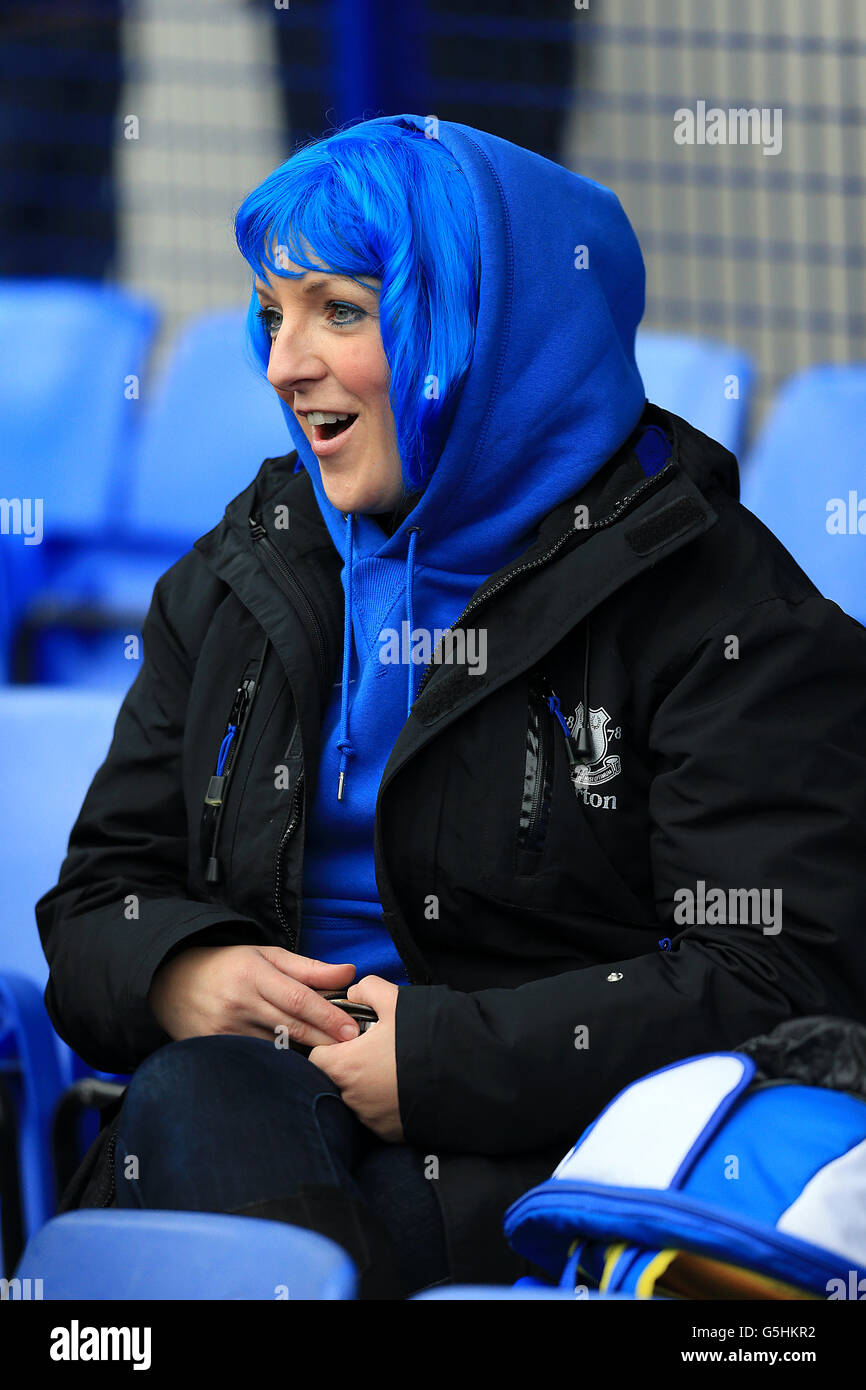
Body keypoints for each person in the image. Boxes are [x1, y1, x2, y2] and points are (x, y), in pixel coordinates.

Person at [36, 114, 866, 1299]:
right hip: (234, 1120)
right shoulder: (244, 567)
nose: (282, 364)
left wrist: (435, 1060)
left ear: (480, 330)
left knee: (198, 1154)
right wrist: (183, 974)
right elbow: (97, 895)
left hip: (540, 1167)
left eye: (339, 311)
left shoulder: (725, 615)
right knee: (206, 1098)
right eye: (271, 314)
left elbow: (782, 982)